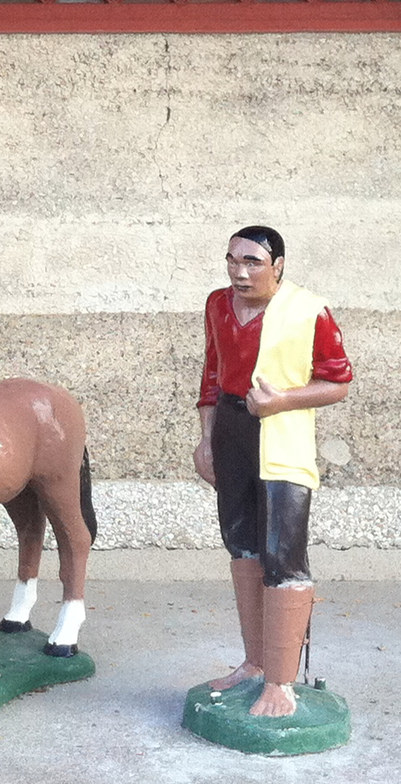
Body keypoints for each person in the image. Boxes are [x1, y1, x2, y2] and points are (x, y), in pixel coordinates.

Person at [193, 225, 352, 717]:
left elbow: (338, 380)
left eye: (252, 263)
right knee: (241, 543)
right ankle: (255, 663)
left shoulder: (310, 310)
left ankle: (282, 681)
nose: (239, 272)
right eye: (232, 260)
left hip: (282, 440)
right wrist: (206, 437)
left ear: (278, 265)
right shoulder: (218, 304)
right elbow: (212, 372)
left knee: (283, 553)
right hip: (232, 432)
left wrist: (283, 400)